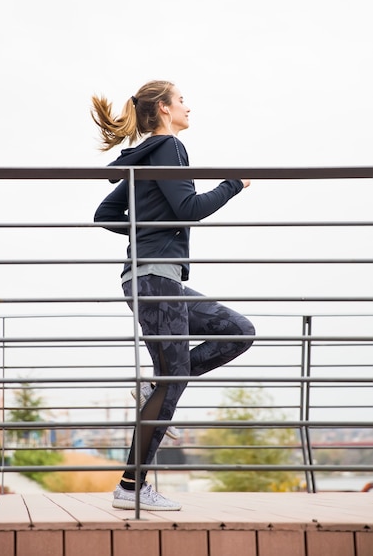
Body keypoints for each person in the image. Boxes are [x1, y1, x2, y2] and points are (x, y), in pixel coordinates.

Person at [92, 80, 255, 511]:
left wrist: (145, 229)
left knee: (238, 332)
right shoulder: (170, 149)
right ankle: (131, 487)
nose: (188, 106)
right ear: (164, 109)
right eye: (182, 100)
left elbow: (106, 213)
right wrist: (233, 184)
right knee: (173, 379)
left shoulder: (147, 157)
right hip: (154, 280)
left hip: (159, 280)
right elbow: (189, 209)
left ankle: (153, 387)